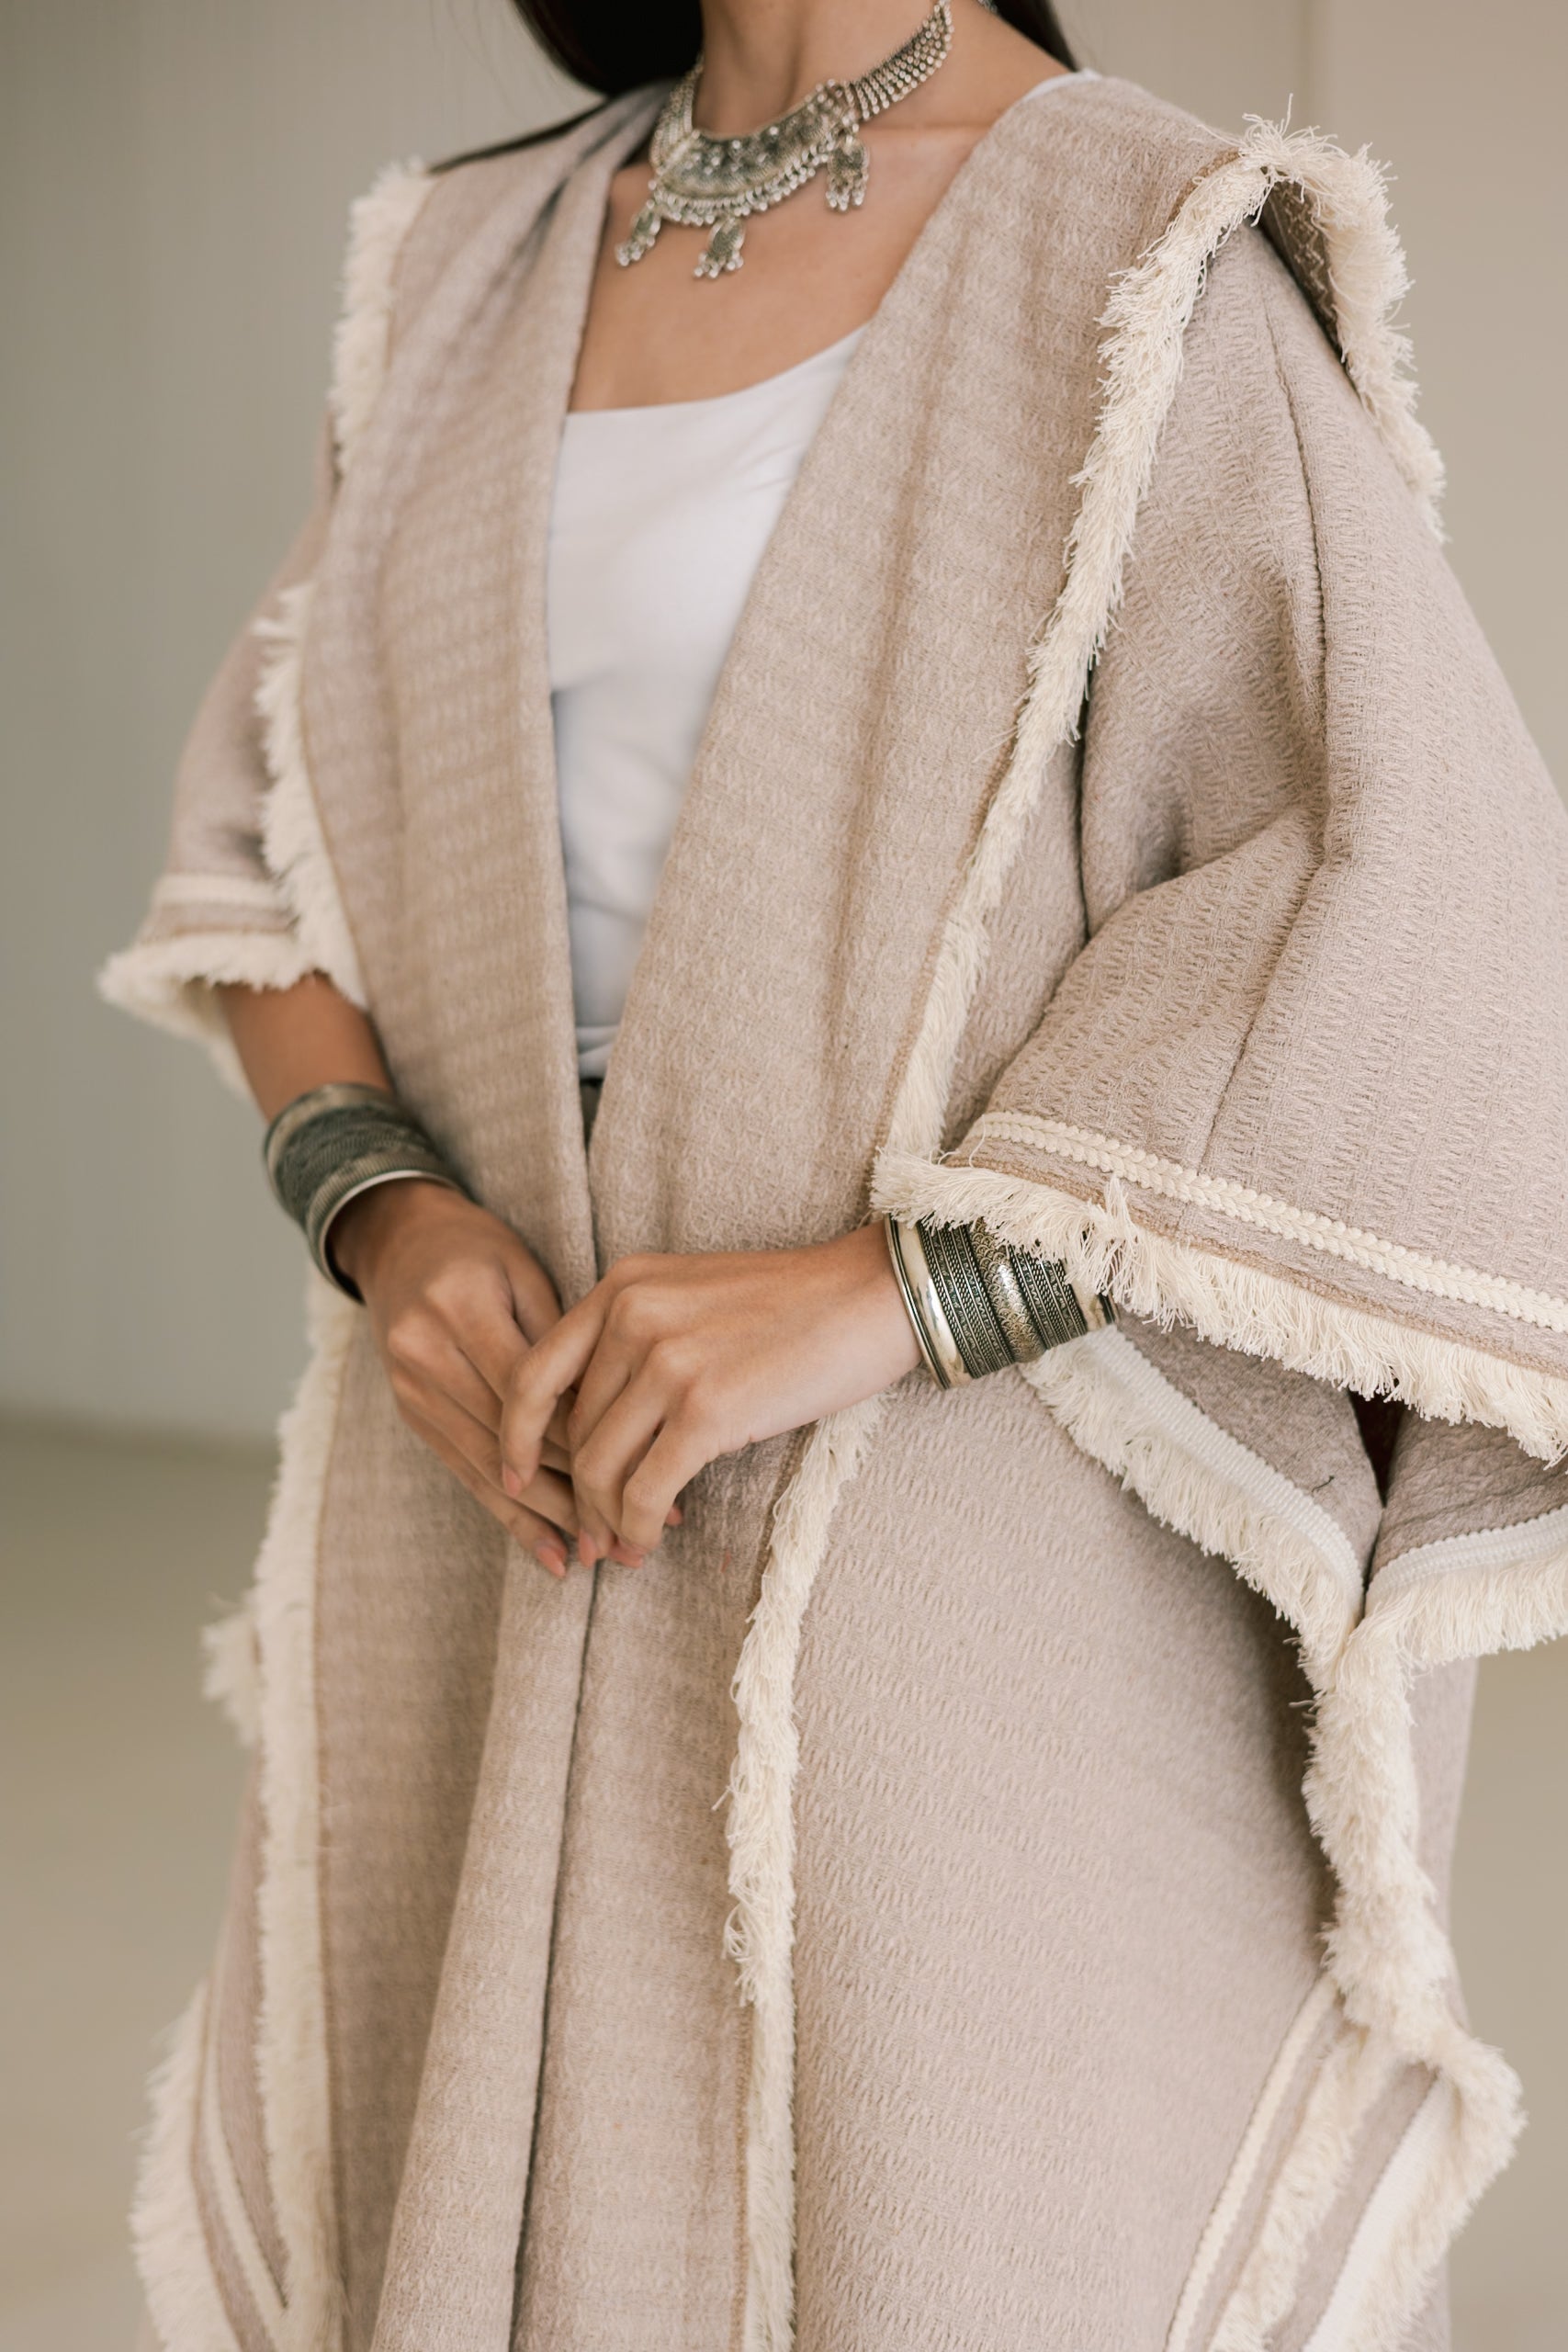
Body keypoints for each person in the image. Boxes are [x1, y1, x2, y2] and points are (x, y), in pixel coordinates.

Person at [104, 3, 1568, 2346]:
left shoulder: (1147, 242)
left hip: (953, 1537)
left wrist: (879, 1291)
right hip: (505, 1496)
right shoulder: (469, 261)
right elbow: (264, 855)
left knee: (937, 2238)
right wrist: (390, 1216)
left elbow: (1397, 901)